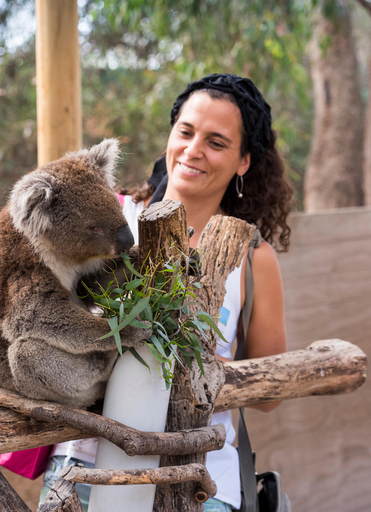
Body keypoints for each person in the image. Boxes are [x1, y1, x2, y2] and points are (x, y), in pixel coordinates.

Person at [39, 73, 293, 512]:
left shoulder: (252, 256)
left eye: (216, 142)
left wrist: (198, 366)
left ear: (244, 161)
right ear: (171, 135)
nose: (194, 151)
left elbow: (270, 394)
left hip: (203, 483)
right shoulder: (107, 218)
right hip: (85, 469)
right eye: (186, 132)